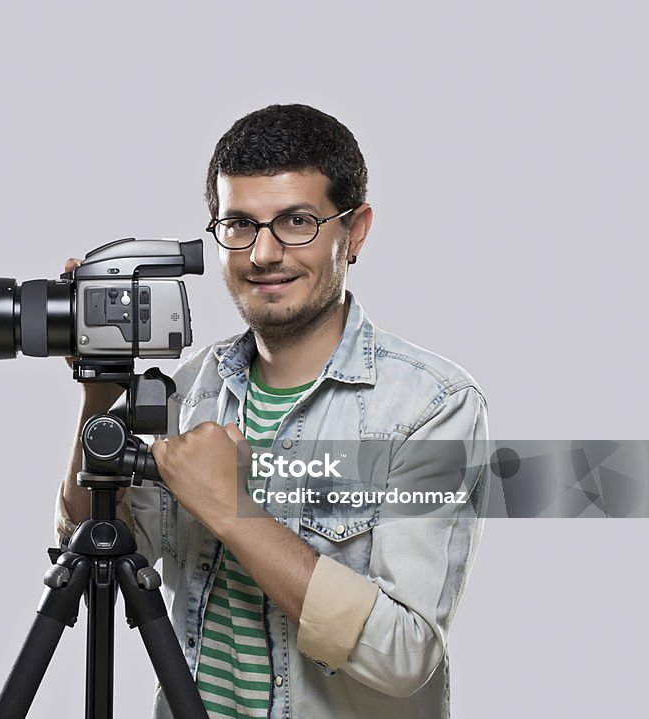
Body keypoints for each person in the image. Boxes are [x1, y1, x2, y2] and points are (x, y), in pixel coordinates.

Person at [55, 104, 488, 718]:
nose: (262, 254)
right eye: (239, 225)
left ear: (355, 231)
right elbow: (94, 544)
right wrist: (100, 392)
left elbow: (405, 655)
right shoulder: (188, 389)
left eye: (297, 222)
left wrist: (234, 510)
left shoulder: (431, 407)